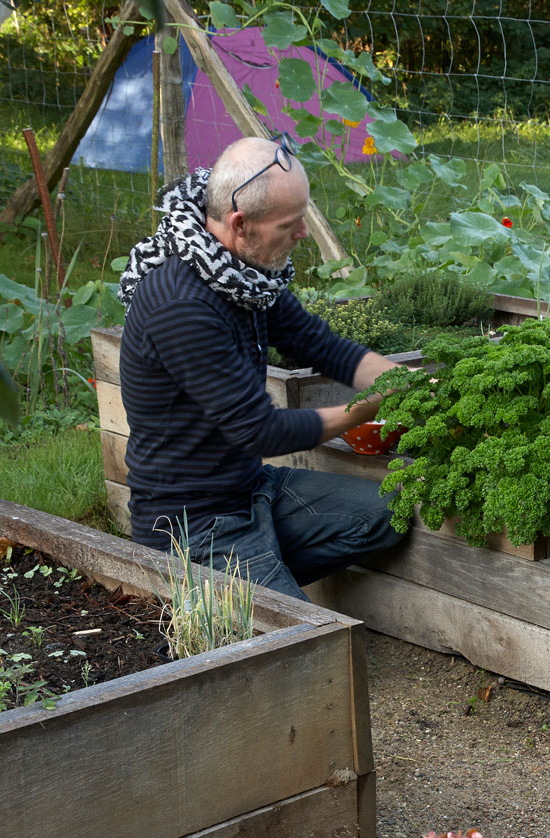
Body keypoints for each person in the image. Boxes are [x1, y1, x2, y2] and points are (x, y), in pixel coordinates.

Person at [116, 134, 404, 602]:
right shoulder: (182, 306)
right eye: (290, 223)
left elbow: (321, 345)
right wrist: (363, 412)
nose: (303, 234)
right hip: (193, 526)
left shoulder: (242, 276)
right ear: (239, 222)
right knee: (304, 643)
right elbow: (261, 432)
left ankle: (257, 574)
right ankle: (203, 588)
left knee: (391, 509)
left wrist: (412, 385)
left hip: (251, 492)